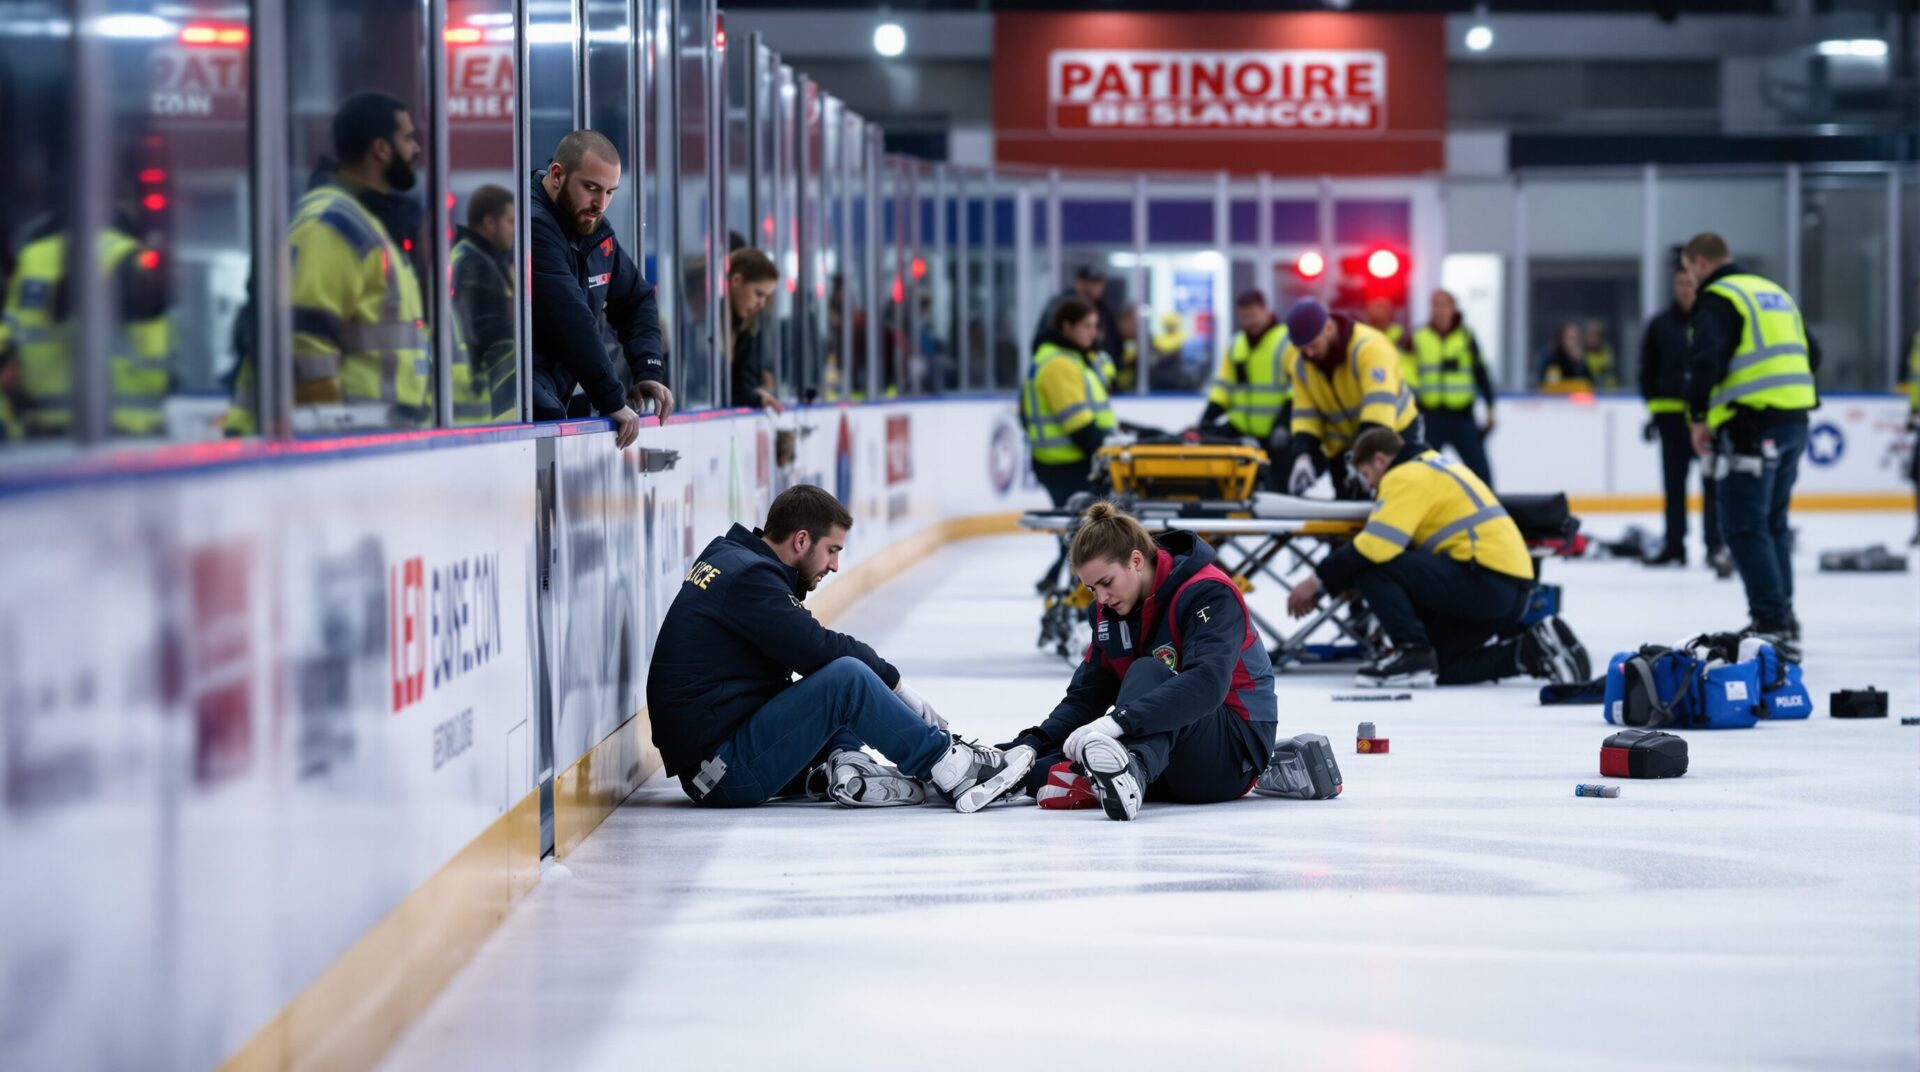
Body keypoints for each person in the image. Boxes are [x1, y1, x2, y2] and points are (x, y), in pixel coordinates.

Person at [646, 485, 1034, 811]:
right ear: (801, 539)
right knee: (846, 678)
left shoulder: (731, 558)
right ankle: (951, 768)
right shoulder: (750, 579)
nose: (834, 566)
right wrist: (895, 683)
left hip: (719, 757)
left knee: (836, 687)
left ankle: (843, 766)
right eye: (832, 550)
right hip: (725, 773)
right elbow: (819, 649)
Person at [999, 502, 1277, 821]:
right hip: (1162, 750)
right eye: (1091, 589)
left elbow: (1208, 684)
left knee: (1148, 670)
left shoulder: (1208, 593)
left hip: (1231, 757)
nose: (1101, 598)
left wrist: (1118, 722)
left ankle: (1131, 771)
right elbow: (1086, 696)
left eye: (1106, 583)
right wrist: (1033, 744)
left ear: (1135, 560)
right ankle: (976, 772)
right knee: (1035, 771)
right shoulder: (1108, 614)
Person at [1286, 427, 1589, 689]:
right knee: (1438, 668)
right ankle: (1530, 652)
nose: (1370, 486)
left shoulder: (1405, 476)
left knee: (1375, 568)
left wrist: (1317, 582)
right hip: (1508, 587)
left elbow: (1377, 546)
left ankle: (1411, 651)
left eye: (1366, 475)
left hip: (1488, 579)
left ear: (1380, 459)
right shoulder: (1434, 464)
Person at [226, 91, 428, 434]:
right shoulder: (332, 224)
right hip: (334, 444)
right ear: (381, 149)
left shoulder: (365, 223)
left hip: (366, 442)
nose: (416, 149)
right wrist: (329, 436)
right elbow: (305, 341)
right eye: (408, 138)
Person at [1682, 232, 1820, 657]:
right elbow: (1812, 352)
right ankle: (1783, 616)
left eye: (1689, 271)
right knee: (1773, 523)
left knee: (1743, 524)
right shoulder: (1773, 293)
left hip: (1749, 423)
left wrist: (1698, 417)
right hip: (1794, 419)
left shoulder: (1720, 297)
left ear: (1701, 263)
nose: (1690, 281)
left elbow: (1706, 360)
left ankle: (1771, 620)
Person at [530, 129, 672, 448]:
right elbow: (572, 319)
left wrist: (647, 368)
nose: (601, 204)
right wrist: (612, 399)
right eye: (592, 188)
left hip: (557, 384)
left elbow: (637, 300)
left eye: (610, 192)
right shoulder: (533, 225)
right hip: (518, 390)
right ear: (557, 175)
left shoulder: (595, 232)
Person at [2, 207, 170, 438]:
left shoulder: (32, 258)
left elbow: (8, 345)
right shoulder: (133, 257)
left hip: (44, 429)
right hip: (130, 431)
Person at [1282, 297, 1422, 501]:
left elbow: (1378, 413)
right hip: (1344, 447)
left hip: (1393, 438)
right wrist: (1304, 457)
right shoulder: (1301, 363)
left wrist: (1361, 461)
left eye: (1313, 345)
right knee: (1347, 514)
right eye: (1302, 349)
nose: (1309, 354)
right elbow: (1306, 415)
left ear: (1329, 328)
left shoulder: (1370, 348)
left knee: (1397, 503)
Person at [1638, 264, 1727, 573]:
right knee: (1674, 486)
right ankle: (1675, 544)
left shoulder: (1711, 322)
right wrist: (1654, 409)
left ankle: (1714, 545)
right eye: (1679, 283)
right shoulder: (1660, 325)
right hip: (1671, 420)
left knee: (1711, 485)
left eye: (1689, 283)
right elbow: (1647, 370)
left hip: (1708, 420)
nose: (1684, 289)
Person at [1022, 296, 1116, 508]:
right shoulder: (1058, 364)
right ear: (1067, 327)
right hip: (1067, 465)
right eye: (1086, 326)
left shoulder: (1071, 357)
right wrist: (1110, 452)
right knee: (1081, 536)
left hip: (1072, 462)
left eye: (1095, 326)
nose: (1093, 333)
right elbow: (1078, 424)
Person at [1200, 289, 1291, 482]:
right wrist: (1206, 419)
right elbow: (1223, 387)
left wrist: (1284, 424)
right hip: (1241, 435)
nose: (1249, 321)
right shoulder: (1236, 344)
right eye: (1244, 317)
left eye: (1253, 315)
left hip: (1276, 438)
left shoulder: (1286, 342)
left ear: (1266, 310)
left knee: (1277, 491)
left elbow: (1296, 390)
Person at [1409, 288, 1496, 486]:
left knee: (1480, 471)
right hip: (1432, 415)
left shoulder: (1466, 336)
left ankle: (1489, 511)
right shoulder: (1419, 336)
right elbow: (1407, 370)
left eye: (1443, 305)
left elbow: (1480, 372)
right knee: (1423, 471)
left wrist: (1490, 408)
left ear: (1452, 308)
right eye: (1435, 305)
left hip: (1462, 415)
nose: (1439, 310)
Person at [451, 184, 517, 424]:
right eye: (510, 221)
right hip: (478, 408)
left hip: (488, 407)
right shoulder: (474, 263)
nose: (514, 230)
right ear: (489, 222)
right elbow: (489, 337)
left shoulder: (484, 259)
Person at [725, 247, 782, 413]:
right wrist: (753, 396)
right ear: (736, 281)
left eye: (766, 297)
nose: (762, 304)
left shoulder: (747, 327)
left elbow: (741, 386)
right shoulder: (705, 326)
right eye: (759, 294)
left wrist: (754, 393)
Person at [1033, 264, 1120, 363]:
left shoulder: (1106, 311)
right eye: (1088, 283)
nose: (1093, 333)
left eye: (1097, 284)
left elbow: (1113, 344)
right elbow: (1044, 339)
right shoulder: (1060, 306)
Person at [1362, 296, 1412, 385]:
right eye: (1376, 306)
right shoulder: (1363, 336)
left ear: (1390, 311)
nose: (1379, 311)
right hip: (1372, 384)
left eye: (1381, 307)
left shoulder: (1402, 335)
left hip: (1401, 385)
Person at [1535, 323, 1592, 392]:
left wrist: (1578, 362)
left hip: (1576, 397)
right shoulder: (1552, 356)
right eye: (1570, 338)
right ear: (1562, 339)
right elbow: (1548, 382)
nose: (1573, 342)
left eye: (1576, 338)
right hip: (1555, 397)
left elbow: (1588, 383)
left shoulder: (1583, 358)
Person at [1583, 320, 1616, 388]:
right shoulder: (1580, 354)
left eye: (1595, 335)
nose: (1592, 339)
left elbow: (1610, 376)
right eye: (1590, 335)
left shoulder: (1607, 353)